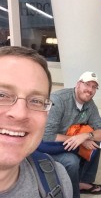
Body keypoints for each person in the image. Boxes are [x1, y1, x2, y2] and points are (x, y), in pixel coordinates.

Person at [0, 46, 72, 197]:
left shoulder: (57, 179)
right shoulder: (64, 101)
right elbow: (49, 136)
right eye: (2, 95)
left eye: (36, 101)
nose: (20, 113)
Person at [43, 71, 101, 198]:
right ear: (78, 84)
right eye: (87, 84)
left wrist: (86, 136)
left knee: (96, 143)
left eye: (94, 87)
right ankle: (72, 193)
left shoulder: (90, 104)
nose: (90, 90)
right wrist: (79, 139)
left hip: (69, 139)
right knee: (71, 161)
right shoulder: (58, 100)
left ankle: (82, 182)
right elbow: (47, 136)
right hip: (47, 144)